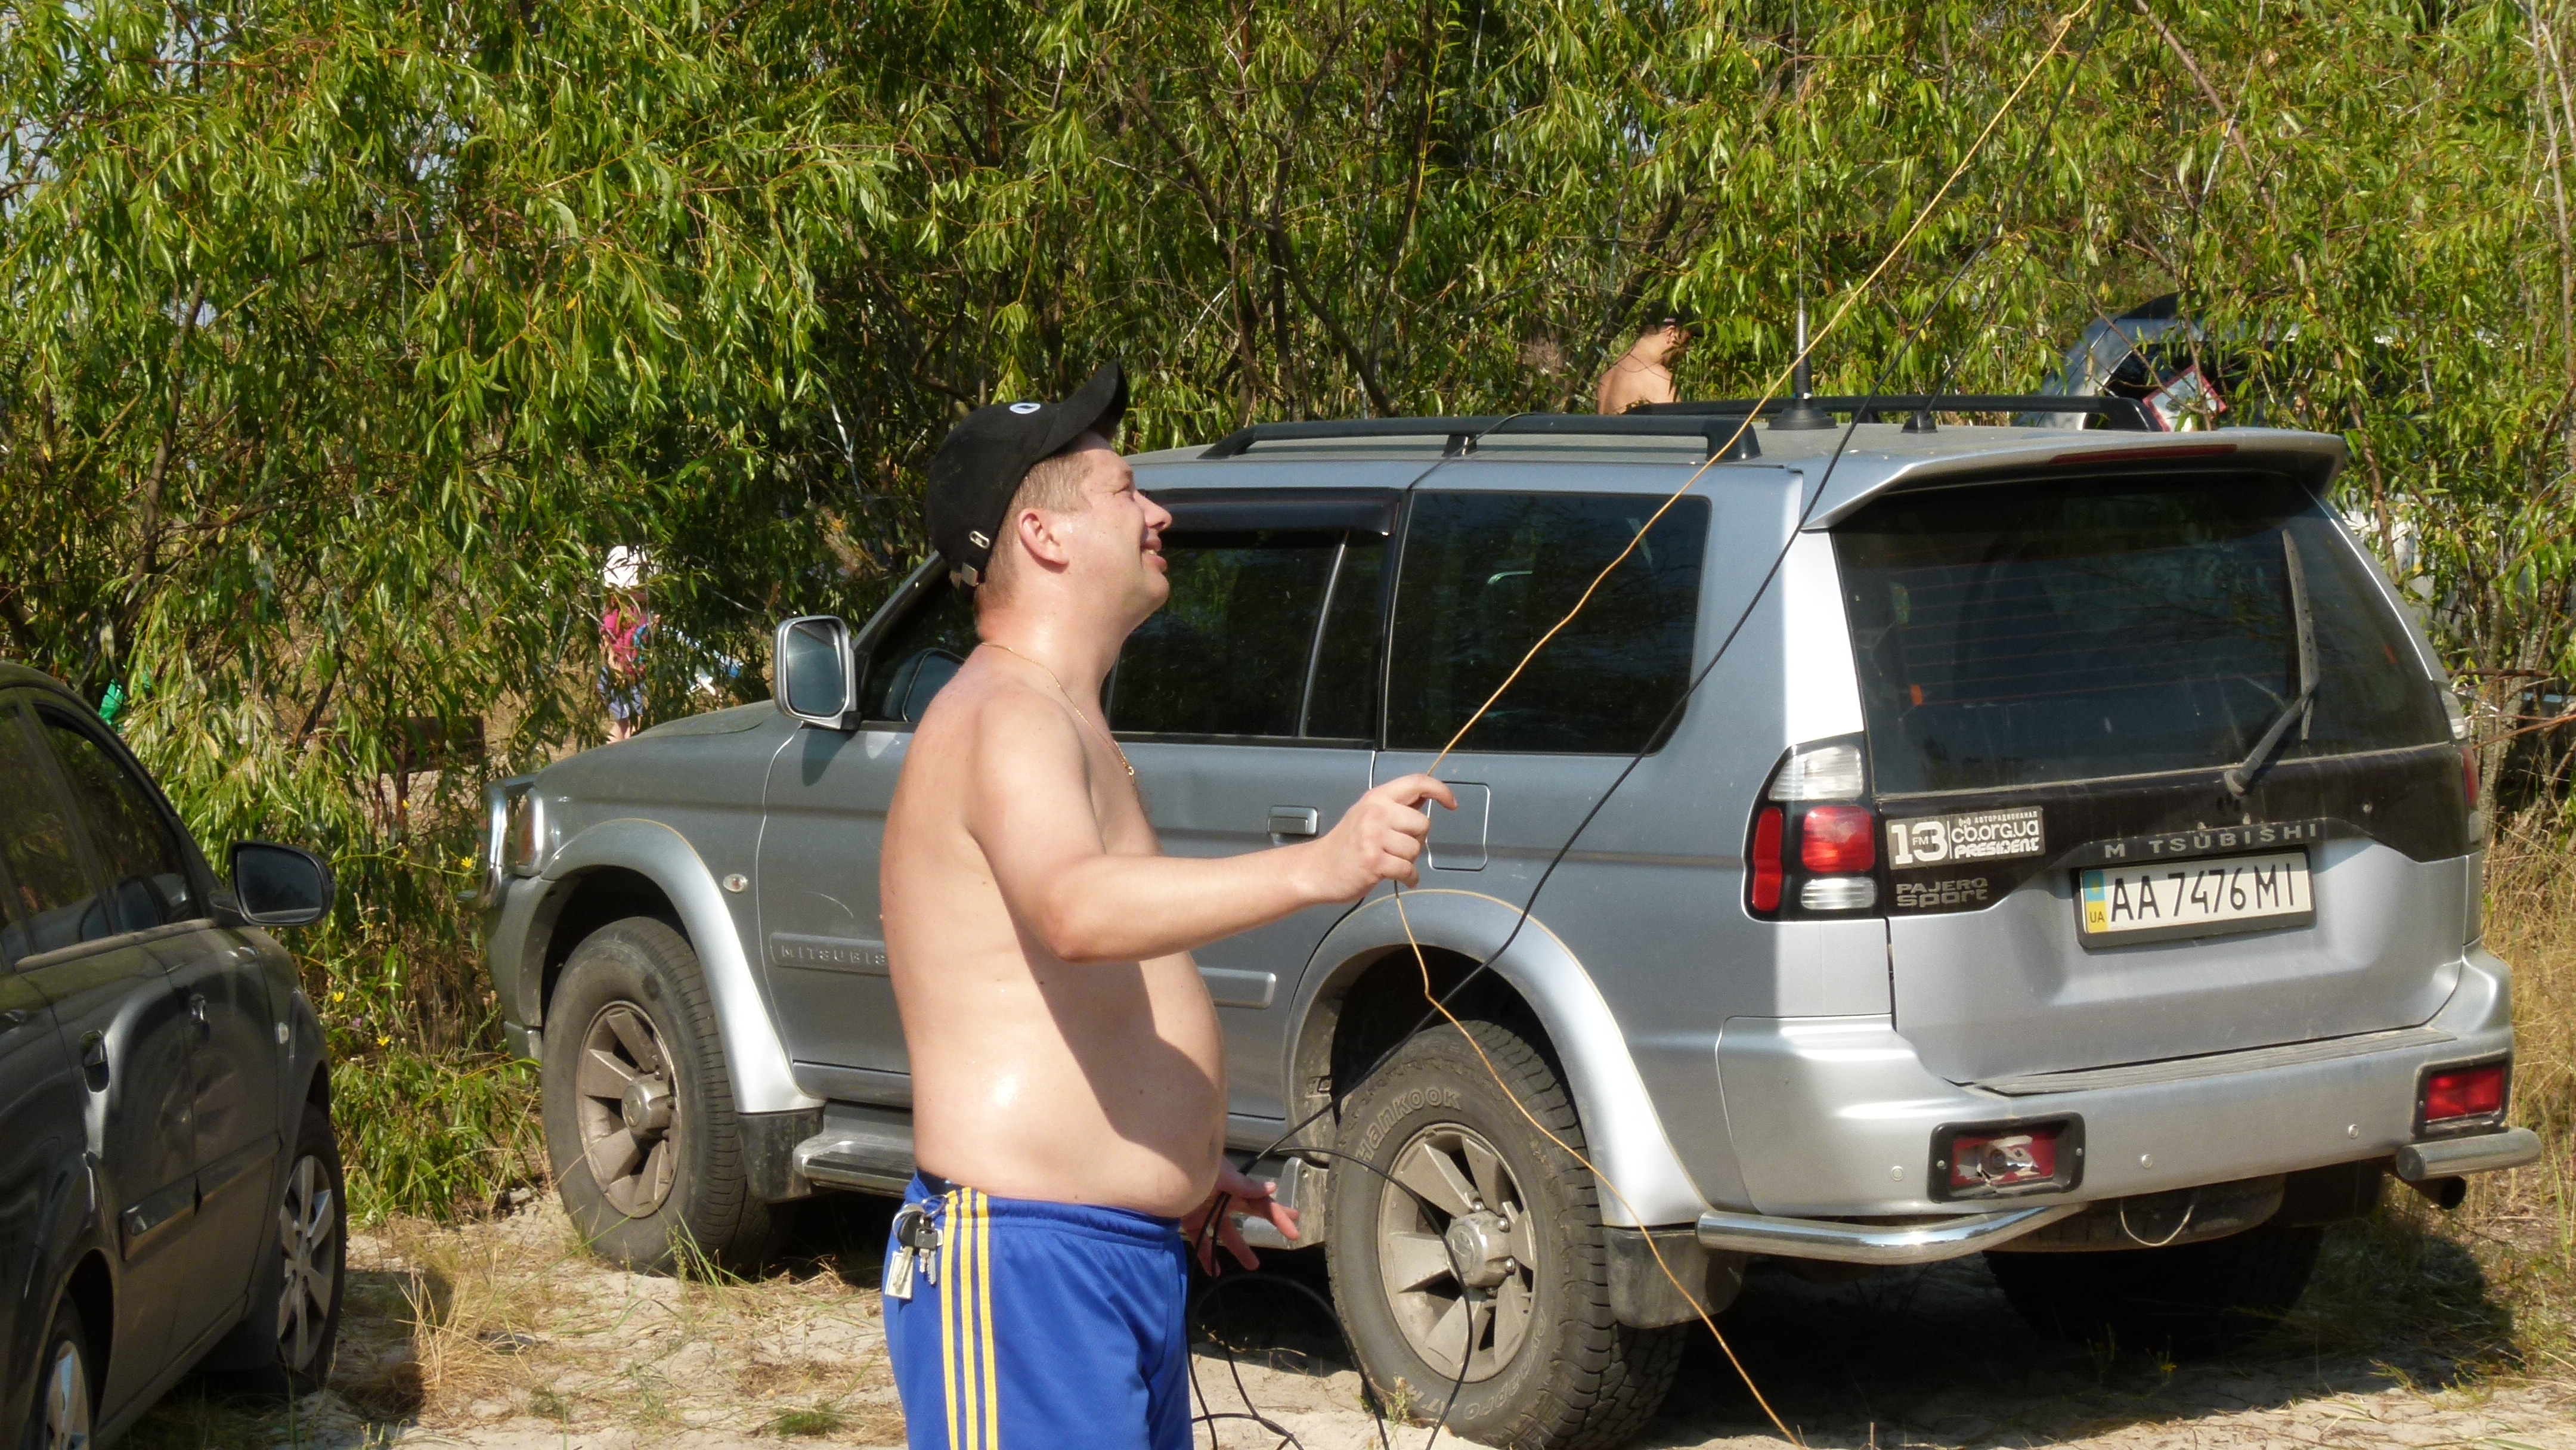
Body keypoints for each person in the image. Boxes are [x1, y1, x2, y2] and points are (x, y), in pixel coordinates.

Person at [877, 362, 1455, 1450]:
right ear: (1044, 535)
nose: (1160, 514)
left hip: (1103, 1252)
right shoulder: (1007, 711)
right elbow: (1076, 911)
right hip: (1026, 1267)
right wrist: (1321, 865)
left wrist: (1174, 1166)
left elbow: (1083, 986)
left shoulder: (1061, 715)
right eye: (1127, 490)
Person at [599, 546, 651, 741]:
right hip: (619, 674)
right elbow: (606, 637)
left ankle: (617, 753)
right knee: (630, 721)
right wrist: (614, 665)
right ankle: (625, 754)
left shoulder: (640, 609)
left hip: (634, 674)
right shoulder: (616, 609)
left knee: (628, 722)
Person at [1594, 311, 1690, 414]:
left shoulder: (1609, 374)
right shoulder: (1658, 378)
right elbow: (1674, 424)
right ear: (1671, 334)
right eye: (1686, 340)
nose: (1688, 348)